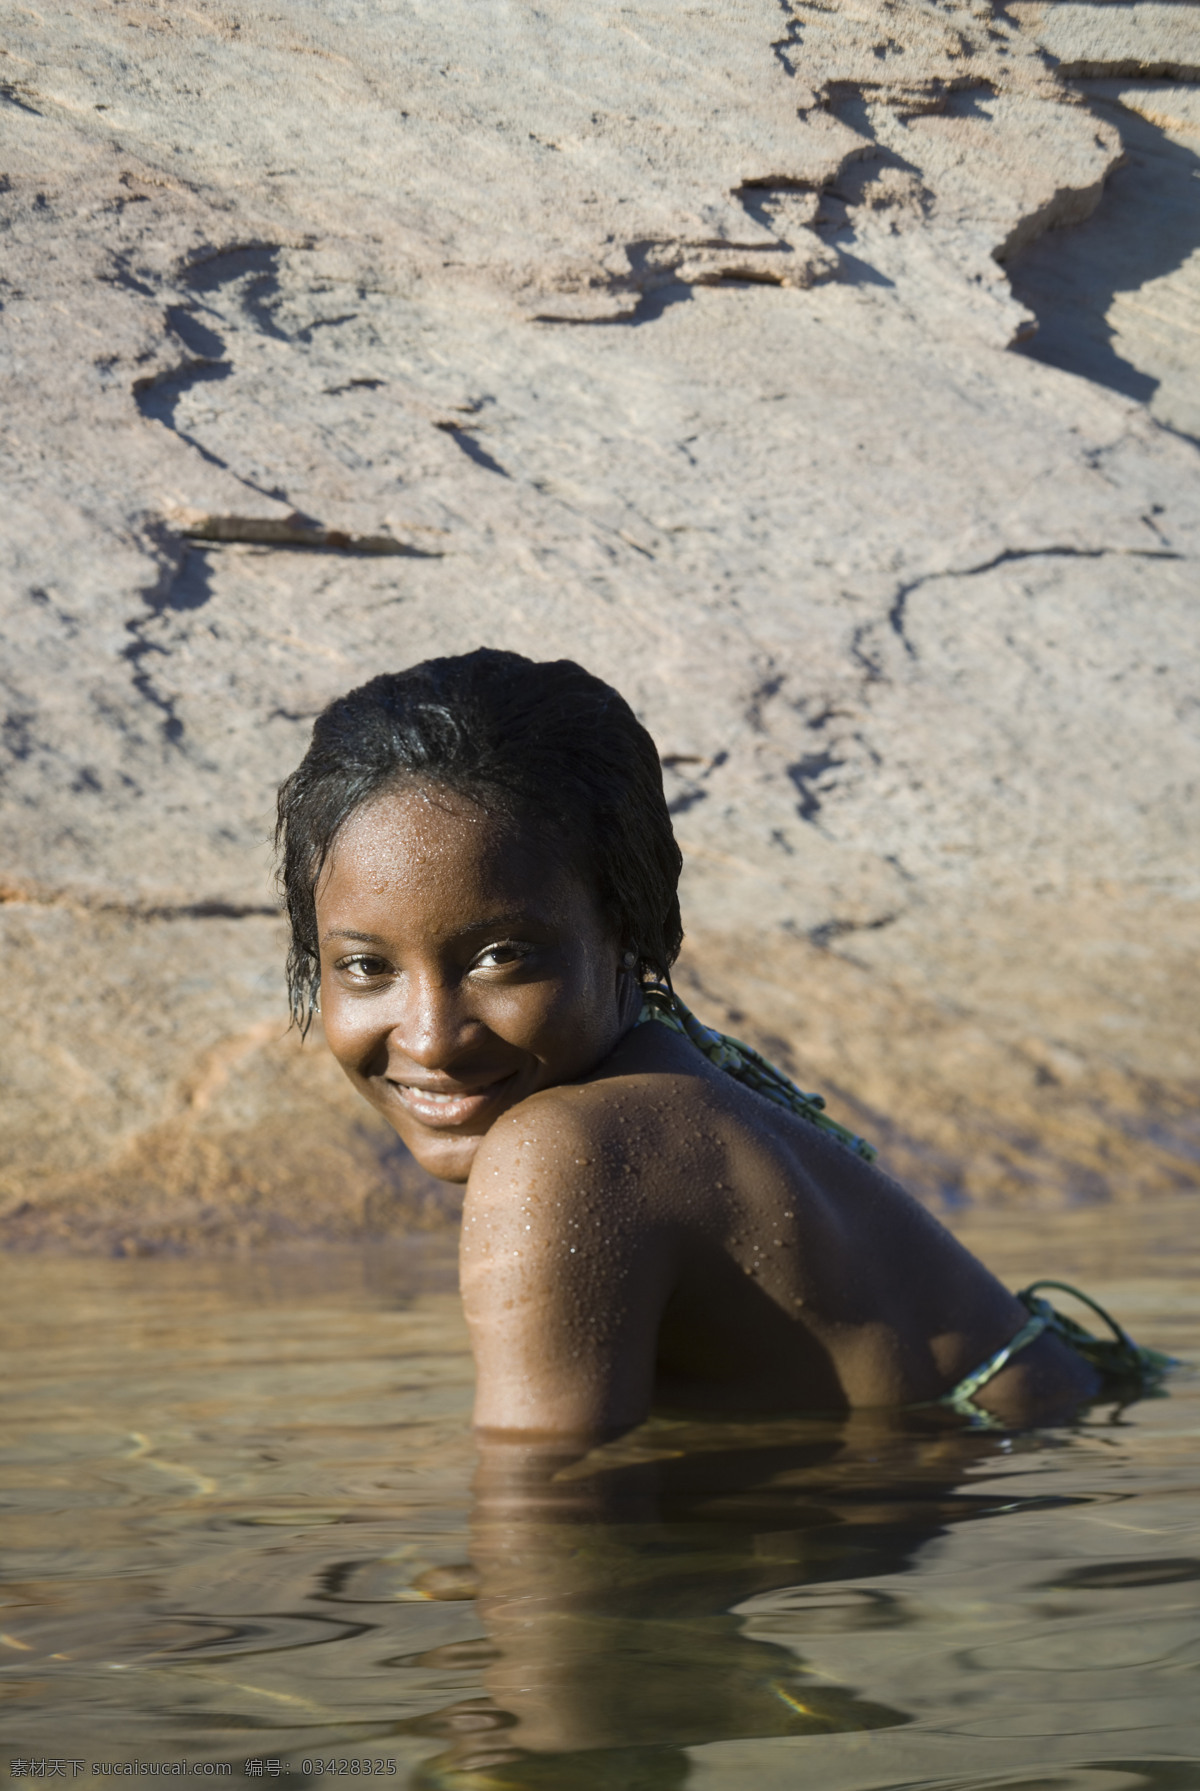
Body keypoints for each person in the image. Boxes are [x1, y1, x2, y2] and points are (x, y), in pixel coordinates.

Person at [276, 648, 1169, 1441]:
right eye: (364, 967)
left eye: (502, 956)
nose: (432, 1034)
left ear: (629, 926)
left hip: (1005, 1501)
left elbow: (548, 1534)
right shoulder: (660, 1078)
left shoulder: (562, 1153)